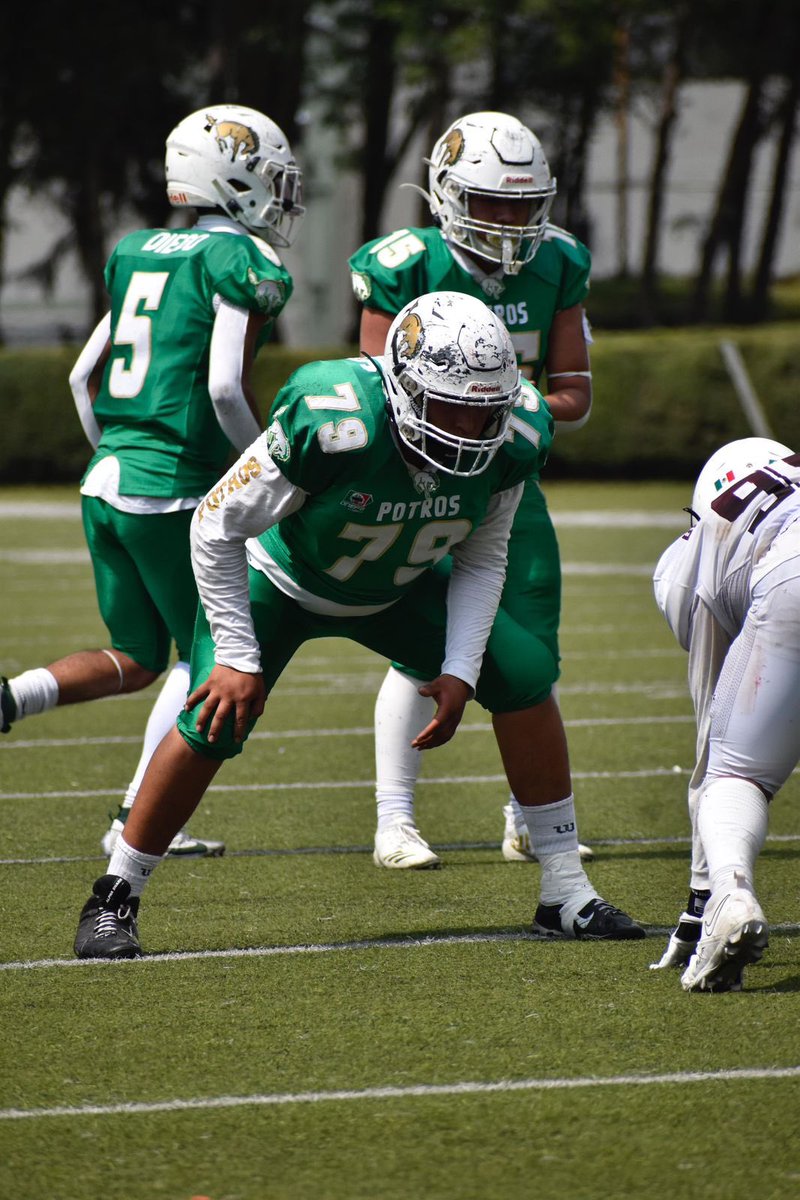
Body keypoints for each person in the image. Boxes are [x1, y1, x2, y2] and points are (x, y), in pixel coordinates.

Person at [71, 290, 643, 959]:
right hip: (283, 580)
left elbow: (485, 555)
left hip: (395, 588)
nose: (470, 426)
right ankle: (115, 896)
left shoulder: (515, 434)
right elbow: (214, 523)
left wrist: (458, 669)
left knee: (522, 674)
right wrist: (234, 655)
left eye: (484, 408)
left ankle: (565, 891)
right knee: (211, 718)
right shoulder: (335, 417)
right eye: (451, 404)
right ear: (401, 382)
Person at [1, 104, 304, 859]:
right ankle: (136, 818)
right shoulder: (242, 263)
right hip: (170, 488)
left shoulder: (138, 249)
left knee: (136, 656)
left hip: (106, 482)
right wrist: (267, 479)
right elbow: (227, 390)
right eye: (269, 177)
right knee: (205, 656)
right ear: (232, 178)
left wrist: (117, 458)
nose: (280, 194)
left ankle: (7, 699)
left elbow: (82, 377)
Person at [348, 111, 594, 870]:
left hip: (509, 486)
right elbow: (375, 384)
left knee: (531, 656)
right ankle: (396, 821)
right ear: (450, 195)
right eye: (493, 202)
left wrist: (511, 406)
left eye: (524, 204)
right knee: (419, 648)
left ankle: (528, 815)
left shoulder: (557, 263)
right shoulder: (405, 262)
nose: (512, 220)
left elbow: (575, 394)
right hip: (420, 486)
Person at [650, 436, 799, 992]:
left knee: (735, 774)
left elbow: (713, 745)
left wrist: (700, 896)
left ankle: (729, 899)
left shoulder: (688, 563)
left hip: (792, 575)